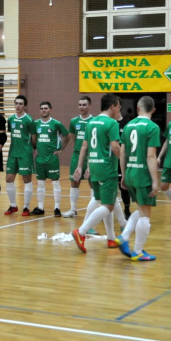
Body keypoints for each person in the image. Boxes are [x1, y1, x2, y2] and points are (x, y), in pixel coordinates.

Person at [71, 93, 121, 253]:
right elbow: (115, 147)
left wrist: (80, 166)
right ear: (112, 106)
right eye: (118, 107)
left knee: (104, 202)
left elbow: (84, 146)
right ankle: (82, 231)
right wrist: (125, 161)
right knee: (108, 205)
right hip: (107, 168)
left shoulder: (91, 122)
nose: (118, 110)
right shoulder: (112, 123)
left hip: (93, 167)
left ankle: (111, 238)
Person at [115, 96, 160, 261]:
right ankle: (138, 251)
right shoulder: (152, 127)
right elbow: (150, 156)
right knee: (145, 214)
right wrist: (155, 181)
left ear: (138, 109)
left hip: (130, 173)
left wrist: (124, 174)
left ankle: (124, 236)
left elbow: (123, 153)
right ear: (153, 110)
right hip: (142, 175)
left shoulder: (128, 125)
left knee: (140, 209)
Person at [30, 101, 69, 217]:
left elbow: (68, 135)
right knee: (40, 184)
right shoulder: (35, 123)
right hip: (40, 159)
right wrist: (34, 148)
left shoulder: (56, 123)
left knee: (55, 183)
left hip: (52, 158)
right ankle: (40, 207)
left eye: (46, 108)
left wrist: (61, 149)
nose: (43, 110)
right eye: (41, 108)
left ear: (50, 110)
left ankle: (57, 208)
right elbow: (33, 138)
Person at [4, 95, 36, 216]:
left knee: (26, 180)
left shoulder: (29, 120)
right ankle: (13, 205)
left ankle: (26, 207)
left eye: (20, 104)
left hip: (25, 154)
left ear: (25, 106)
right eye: (16, 103)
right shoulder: (11, 119)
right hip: (13, 153)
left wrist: (32, 149)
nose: (18, 106)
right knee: (8, 179)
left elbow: (34, 138)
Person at [63, 96, 93, 218]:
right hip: (77, 155)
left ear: (89, 106)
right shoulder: (74, 121)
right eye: (80, 105)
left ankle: (94, 212)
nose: (81, 107)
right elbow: (74, 138)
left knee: (93, 183)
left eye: (84, 105)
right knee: (74, 182)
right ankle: (73, 210)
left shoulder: (94, 121)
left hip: (91, 156)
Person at [116, 98, 132, 219]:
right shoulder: (108, 123)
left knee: (124, 187)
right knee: (109, 187)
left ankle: (127, 209)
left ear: (120, 106)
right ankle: (104, 211)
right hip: (110, 160)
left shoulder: (127, 123)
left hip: (122, 159)